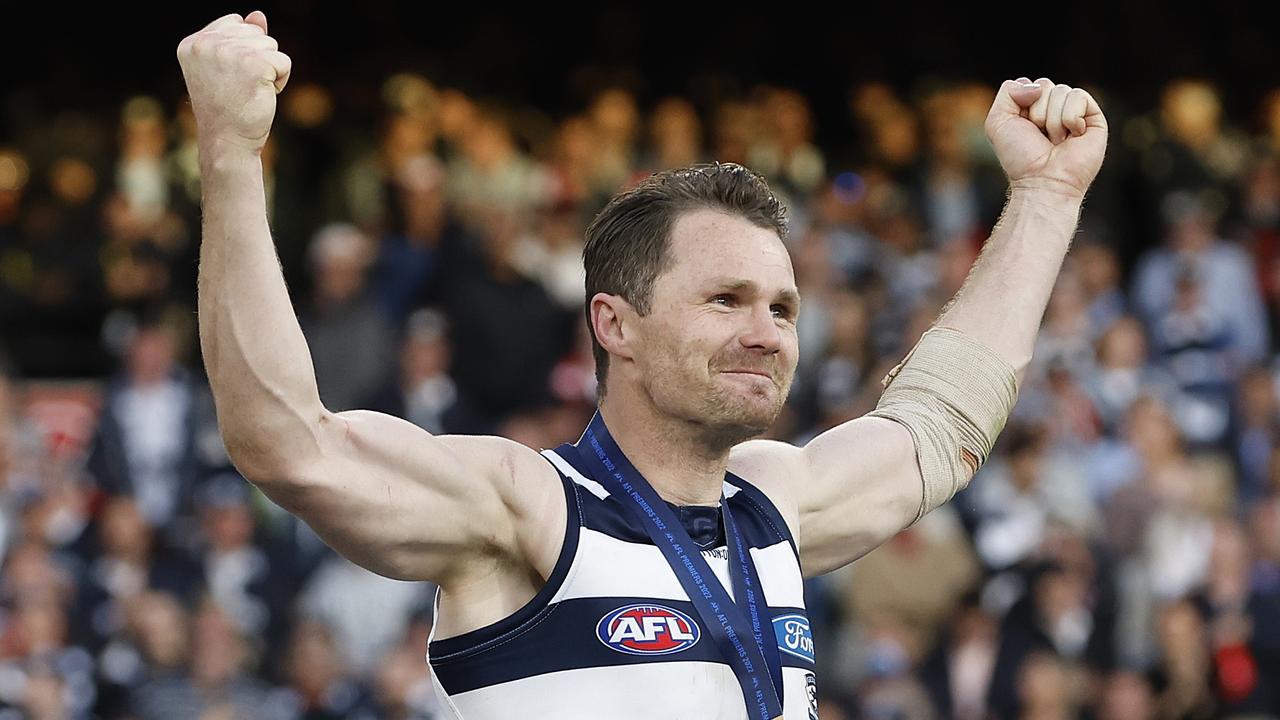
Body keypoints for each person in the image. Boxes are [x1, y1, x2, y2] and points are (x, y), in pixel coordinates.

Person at [177, 11, 1107, 719]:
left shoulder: (777, 504)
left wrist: (1045, 194)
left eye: (782, 307)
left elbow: (944, 424)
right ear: (614, 326)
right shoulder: (526, 507)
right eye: (725, 300)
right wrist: (229, 152)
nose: (768, 332)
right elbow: (288, 445)